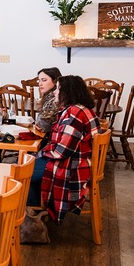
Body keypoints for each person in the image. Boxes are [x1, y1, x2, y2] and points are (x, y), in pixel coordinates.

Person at [38, 75, 100, 224]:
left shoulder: (74, 113)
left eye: (58, 89)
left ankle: (33, 214)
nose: (54, 92)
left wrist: (39, 153)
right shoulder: (81, 109)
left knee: (22, 170)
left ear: (68, 92)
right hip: (81, 162)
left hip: (73, 167)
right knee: (28, 164)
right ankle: (37, 211)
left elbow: (62, 151)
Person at [27, 67, 62, 205]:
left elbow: (43, 124)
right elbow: (40, 122)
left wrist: (39, 122)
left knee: (22, 167)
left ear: (55, 82)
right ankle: (35, 205)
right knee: (26, 160)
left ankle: (32, 207)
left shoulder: (53, 99)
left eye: (44, 80)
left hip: (57, 156)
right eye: (39, 80)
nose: (40, 84)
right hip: (54, 149)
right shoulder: (48, 98)